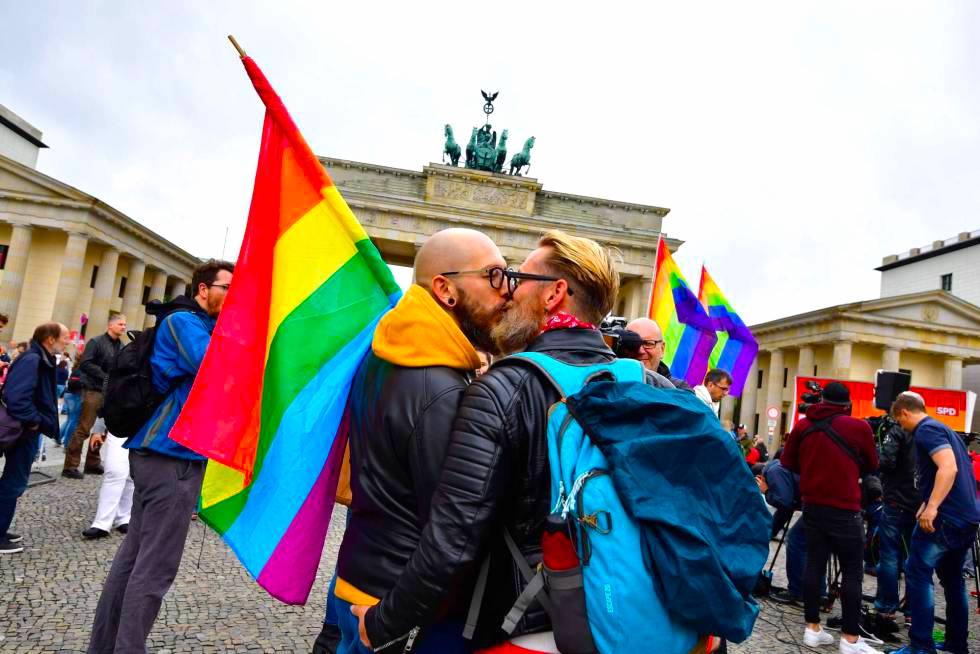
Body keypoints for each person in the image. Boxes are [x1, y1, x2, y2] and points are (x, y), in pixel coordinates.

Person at [351, 231, 675, 653]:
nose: (508, 291)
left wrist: (381, 623)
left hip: (523, 623)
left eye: (519, 278)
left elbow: (453, 538)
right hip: (635, 618)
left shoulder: (503, 390)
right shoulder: (658, 387)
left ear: (554, 294)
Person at [329, 229, 510, 654]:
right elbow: (449, 517)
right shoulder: (440, 387)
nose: (506, 293)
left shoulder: (391, 352)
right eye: (494, 277)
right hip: (394, 597)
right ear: (445, 289)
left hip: (364, 570)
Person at [88, 259, 233, 653]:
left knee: (134, 558)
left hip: (162, 453)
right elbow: (216, 368)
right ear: (203, 289)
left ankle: (104, 647)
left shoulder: (196, 323)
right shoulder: (185, 322)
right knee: (155, 568)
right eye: (226, 287)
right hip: (171, 455)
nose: (232, 295)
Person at [781, 381, 881, 653]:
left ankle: (812, 628)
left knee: (814, 563)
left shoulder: (803, 425)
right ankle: (850, 638)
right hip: (845, 507)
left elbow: (788, 462)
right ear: (847, 404)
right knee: (852, 570)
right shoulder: (859, 427)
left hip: (812, 504)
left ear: (821, 400)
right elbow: (873, 464)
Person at [887, 392, 980, 654]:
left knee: (918, 574)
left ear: (904, 412)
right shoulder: (945, 429)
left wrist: (933, 507)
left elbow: (948, 468)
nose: (901, 427)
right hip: (965, 516)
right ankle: (956, 644)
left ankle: (921, 646)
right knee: (953, 581)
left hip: (945, 518)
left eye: (899, 421)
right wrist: (925, 502)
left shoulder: (926, 430)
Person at [0, 322, 69, 554]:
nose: (67, 341)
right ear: (50, 339)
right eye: (65, 337)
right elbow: (16, 397)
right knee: (13, 482)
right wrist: (34, 421)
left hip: (25, 429)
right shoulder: (33, 359)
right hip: (22, 431)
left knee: (14, 481)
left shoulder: (39, 357)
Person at [62, 313, 127, 479]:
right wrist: (105, 376)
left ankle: (92, 462)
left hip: (108, 393)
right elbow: (86, 363)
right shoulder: (96, 342)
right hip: (93, 390)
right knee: (83, 428)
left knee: (101, 430)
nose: (123, 327)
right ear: (110, 325)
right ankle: (70, 466)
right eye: (120, 324)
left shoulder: (121, 345)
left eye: (124, 325)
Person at [872, 415, 918, 629]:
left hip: (895, 502)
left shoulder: (898, 431)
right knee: (914, 559)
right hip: (920, 505)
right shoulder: (927, 432)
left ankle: (887, 608)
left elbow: (886, 461)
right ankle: (911, 612)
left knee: (889, 556)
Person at [82, 417, 133, 539]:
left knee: (132, 474)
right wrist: (98, 429)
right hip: (119, 425)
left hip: (146, 425)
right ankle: (102, 523)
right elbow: (107, 400)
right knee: (114, 471)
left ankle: (124, 518)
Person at [623, 317, 692, 389]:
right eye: (633, 344)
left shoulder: (679, 390)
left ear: (662, 349)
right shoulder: (612, 381)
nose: (640, 351)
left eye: (648, 343)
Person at [59, 359, 84, 448]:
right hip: (76, 395)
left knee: (70, 419)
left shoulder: (75, 369)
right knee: (74, 420)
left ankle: (58, 437)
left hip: (68, 394)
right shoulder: (83, 370)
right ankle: (67, 443)